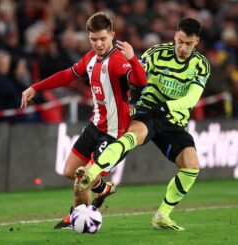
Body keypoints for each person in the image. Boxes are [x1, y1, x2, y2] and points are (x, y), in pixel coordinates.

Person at [76, 18, 211, 231]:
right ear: (175, 36)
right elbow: (134, 76)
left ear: (197, 42)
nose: (183, 48)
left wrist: (168, 107)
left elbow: (192, 99)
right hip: (148, 110)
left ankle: (161, 216)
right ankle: (91, 174)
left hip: (174, 120)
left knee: (192, 165)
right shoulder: (157, 54)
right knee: (134, 136)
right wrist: (127, 101)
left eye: (189, 44)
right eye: (180, 41)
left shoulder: (201, 65)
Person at [21, 12, 147, 229]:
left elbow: (140, 82)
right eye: (94, 39)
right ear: (88, 37)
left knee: (83, 178)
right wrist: (35, 87)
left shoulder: (118, 62)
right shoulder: (90, 59)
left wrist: (132, 59)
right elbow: (66, 75)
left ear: (112, 35)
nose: (98, 44)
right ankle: (102, 188)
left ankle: (78, 218)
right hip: (95, 126)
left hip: (114, 134)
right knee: (70, 171)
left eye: (103, 39)